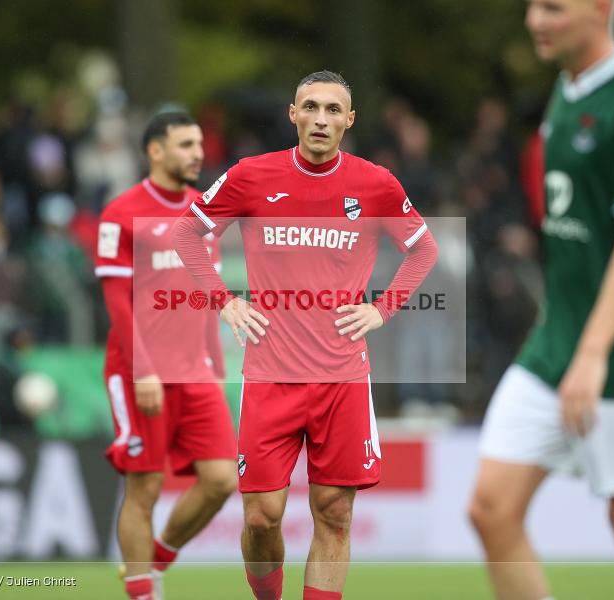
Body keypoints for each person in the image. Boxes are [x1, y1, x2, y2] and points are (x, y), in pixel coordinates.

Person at [174, 71, 438, 600]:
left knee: (335, 512)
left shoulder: (376, 183)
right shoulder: (250, 175)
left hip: (342, 377)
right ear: (292, 115)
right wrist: (224, 301)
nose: (321, 119)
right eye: (311, 108)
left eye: (333, 110)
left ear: (349, 120)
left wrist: (382, 310)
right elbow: (187, 233)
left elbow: (424, 249)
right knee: (261, 517)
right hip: (271, 374)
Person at [467, 2, 614, 600]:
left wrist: (593, 353)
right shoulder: (566, 90)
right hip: (556, 340)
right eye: (531, 6)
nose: (534, 20)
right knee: (491, 509)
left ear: (601, 7)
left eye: (552, 7)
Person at [96, 111, 237, 600]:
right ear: (155, 151)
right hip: (140, 371)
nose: (197, 153)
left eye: (199, 143)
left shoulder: (204, 213)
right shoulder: (120, 213)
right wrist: (144, 369)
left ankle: (156, 561)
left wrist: (216, 366)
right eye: (185, 144)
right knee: (145, 489)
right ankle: (142, 592)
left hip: (194, 370)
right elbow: (117, 302)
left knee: (221, 480)